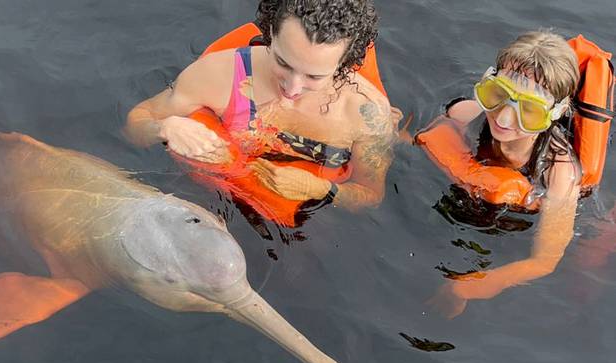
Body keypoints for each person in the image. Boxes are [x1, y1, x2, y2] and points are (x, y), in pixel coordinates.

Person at [123, 0, 400, 226]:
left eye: (314, 76)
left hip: (308, 219)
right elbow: (136, 125)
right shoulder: (218, 75)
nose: (292, 88)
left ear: (345, 62)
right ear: (270, 33)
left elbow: (371, 196)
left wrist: (319, 189)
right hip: (217, 203)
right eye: (283, 62)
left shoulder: (367, 114)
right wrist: (165, 128)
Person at [416, 30, 594, 318]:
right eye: (498, 95)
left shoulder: (559, 174)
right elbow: (414, 137)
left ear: (555, 113)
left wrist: (468, 288)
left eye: (529, 111)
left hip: (512, 229)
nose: (504, 117)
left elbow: (544, 261)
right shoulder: (466, 114)